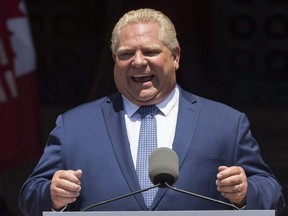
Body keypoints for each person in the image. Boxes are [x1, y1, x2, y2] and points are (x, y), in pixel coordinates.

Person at [18, 8, 285, 216]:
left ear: (176, 56)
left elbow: (273, 195)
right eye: (125, 54)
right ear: (114, 61)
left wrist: (245, 193)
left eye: (150, 51)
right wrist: (52, 196)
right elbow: (30, 196)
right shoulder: (74, 126)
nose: (137, 61)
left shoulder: (226, 123)